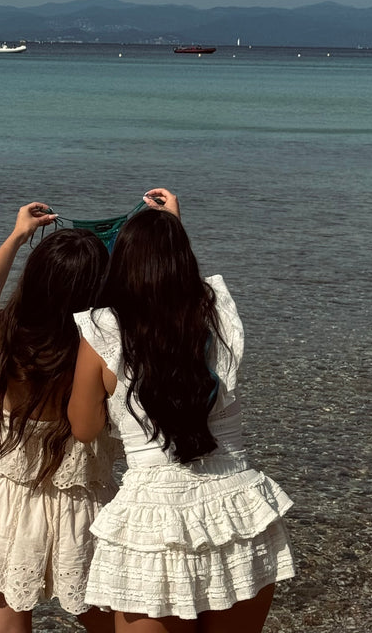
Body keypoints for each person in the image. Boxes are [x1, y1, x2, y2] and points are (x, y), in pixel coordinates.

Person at [68, 189, 295, 633]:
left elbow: (84, 427)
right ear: (183, 260)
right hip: (238, 507)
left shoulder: (102, 328)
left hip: (155, 520)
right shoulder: (217, 313)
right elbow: (190, 283)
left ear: (123, 266)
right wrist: (172, 225)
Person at [0, 202, 119, 633]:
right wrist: (168, 235)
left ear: (34, 282)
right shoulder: (108, 359)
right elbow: (169, 316)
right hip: (84, 507)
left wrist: (18, 236)